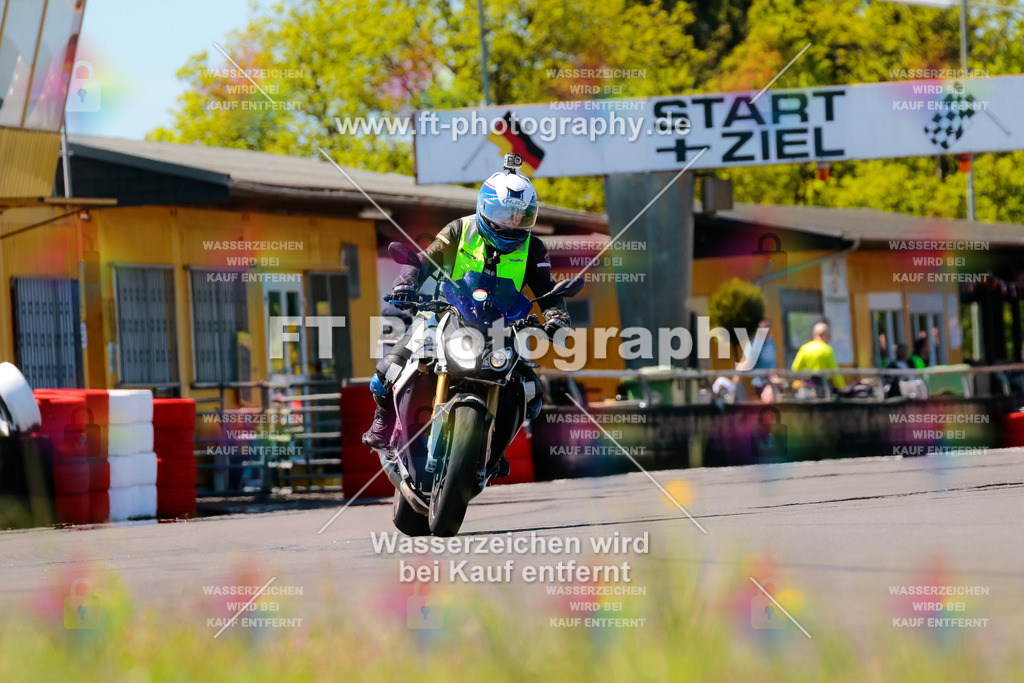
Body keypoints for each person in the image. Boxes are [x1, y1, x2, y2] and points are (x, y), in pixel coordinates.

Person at [362, 157, 570, 453]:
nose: (510, 223)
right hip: (445, 312)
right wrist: (406, 282)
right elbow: (425, 259)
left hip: (501, 325)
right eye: (503, 213)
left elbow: (547, 289)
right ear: (484, 206)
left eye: (520, 216)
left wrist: (556, 316)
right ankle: (383, 423)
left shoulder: (534, 248)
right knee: (386, 371)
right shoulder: (460, 229)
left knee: (531, 394)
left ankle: (494, 450)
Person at [791, 321, 846, 392]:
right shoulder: (827, 349)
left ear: (814, 334)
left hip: (809, 385)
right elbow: (834, 370)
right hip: (823, 385)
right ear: (825, 335)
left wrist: (805, 376)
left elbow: (795, 368)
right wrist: (842, 386)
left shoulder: (805, 348)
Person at [739, 319, 777, 397]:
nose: (765, 330)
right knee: (770, 395)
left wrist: (775, 376)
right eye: (762, 328)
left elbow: (772, 362)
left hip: (772, 381)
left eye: (767, 327)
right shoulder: (754, 344)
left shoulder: (771, 342)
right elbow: (743, 363)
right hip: (760, 382)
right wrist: (734, 384)